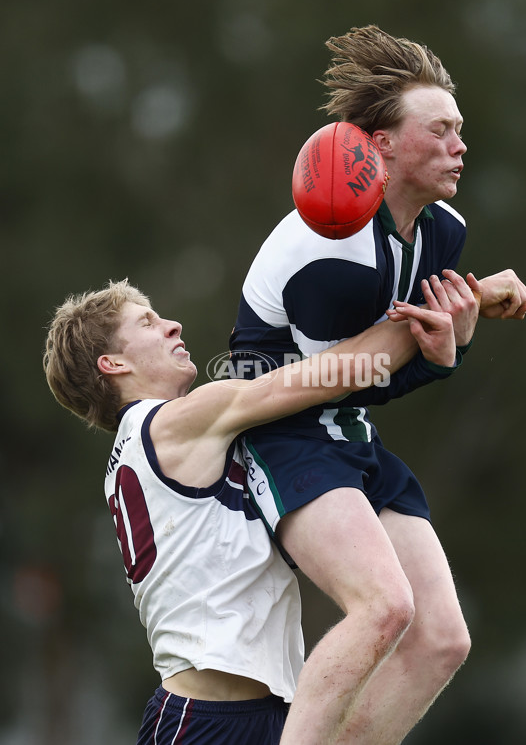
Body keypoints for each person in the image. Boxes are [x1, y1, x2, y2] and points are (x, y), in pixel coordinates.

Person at [229, 25, 526, 744]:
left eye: (461, 129)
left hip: (351, 432)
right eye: (442, 130)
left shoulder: (443, 232)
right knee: (383, 609)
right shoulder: (331, 250)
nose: (460, 145)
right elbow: (338, 380)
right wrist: (463, 319)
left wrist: (447, 343)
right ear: (385, 145)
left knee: (441, 639)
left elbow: (387, 376)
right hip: (284, 432)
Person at [43, 276, 463, 744]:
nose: (172, 325)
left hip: (259, 715)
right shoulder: (173, 424)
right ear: (113, 363)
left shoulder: (159, 444)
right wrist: (451, 306)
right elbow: (331, 376)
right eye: (147, 322)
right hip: (203, 721)